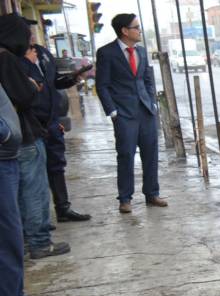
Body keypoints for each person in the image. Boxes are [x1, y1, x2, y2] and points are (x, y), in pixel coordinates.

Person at [0, 13, 70, 259]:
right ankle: (39, 242)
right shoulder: (7, 59)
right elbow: (24, 94)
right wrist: (31, 83)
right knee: (33, 190)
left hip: (20, 135)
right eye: (27, 34)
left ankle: (31, 239)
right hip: (23, 136)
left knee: (24, 191)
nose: (30, 40)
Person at [0, 68, 57, 296]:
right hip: (3, 155)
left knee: (12, 241)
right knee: (6, 242)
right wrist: (4, 132)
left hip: (7, 156)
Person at [95, 13, 166, 213]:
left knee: (151, 154)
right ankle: (125, 198)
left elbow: (147, 79)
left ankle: (152, 194)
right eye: (136, 27)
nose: (139, 30)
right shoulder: (106, 53)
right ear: (125, 31)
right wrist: (113, 112)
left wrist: (152, 103)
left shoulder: (141, 51)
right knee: (126, 155)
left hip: (146, 111)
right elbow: (102, 86)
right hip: (124, 114)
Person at [21, 25, 91, 224]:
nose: (32, 35)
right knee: (33, 173)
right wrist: (28, 63)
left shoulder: (42, 53)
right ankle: (36, 222)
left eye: (33, 32)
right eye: (28, 32)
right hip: (31, 123)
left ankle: (63, 208)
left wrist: (73, 78)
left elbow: (54, 83)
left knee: (56, 165)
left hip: (51, 121)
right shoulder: (14, 58)